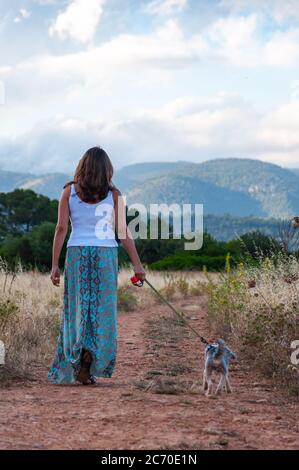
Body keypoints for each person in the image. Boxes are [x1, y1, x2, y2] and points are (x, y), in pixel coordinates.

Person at [48, 146, 146, 385]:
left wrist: (54, 265)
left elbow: (61, 229)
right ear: (107, 169)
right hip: (105, 255)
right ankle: (91, 361)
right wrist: (138, 267)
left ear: (82, 166)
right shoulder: (114, 195)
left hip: (77, 253)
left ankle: (77, 359)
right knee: (102, 312)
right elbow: (122, 232)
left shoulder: (68, 192)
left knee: (77, 310)